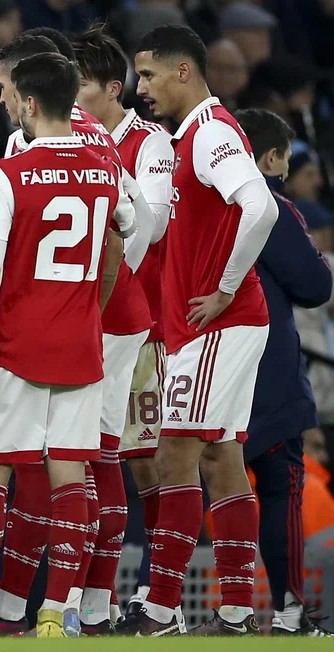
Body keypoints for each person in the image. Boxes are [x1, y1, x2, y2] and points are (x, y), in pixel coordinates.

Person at [0, 52, 124, 640]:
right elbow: (129, 230)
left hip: (17, 343)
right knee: (70, 475)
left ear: (29, 102)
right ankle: (58, 615)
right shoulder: (104, 168)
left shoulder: (5, 175)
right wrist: (91, 307)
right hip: (80, 345)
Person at [0, 32, 148, 638]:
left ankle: (70, 607)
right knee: (81, 460)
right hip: (92, 317)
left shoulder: (32, 144)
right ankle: (68, 607)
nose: (0, 98)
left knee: (60, 462)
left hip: (77, 321)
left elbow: (123, 235)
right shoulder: (98, 141)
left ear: (28, 88)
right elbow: (136, 222)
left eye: (4, 86)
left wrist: (88, 303)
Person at [119, 25, 278, 636]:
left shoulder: (210, 132)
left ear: (183, 71)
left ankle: (160, 609)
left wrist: (227, 288)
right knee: (220, 457)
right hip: (214, 324)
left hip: (219, 321)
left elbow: (261, 207)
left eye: (150, 75)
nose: (142, 88)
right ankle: (235, 612)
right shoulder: (188, 136)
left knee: (174, 454)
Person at [72, 24, 176, 631]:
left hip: (141, 325)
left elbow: (151, 226)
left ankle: (161, 598)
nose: (72, 98)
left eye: (82, 86)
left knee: (144, 461)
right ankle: (101, 602)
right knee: (89, 457)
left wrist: (103, 286)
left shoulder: (149, 143)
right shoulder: (61, 139)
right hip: (88, 318)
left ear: (114, 89)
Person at [234, 108, 333, 637]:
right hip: (265, 375)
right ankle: (290, 616)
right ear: (269, 158)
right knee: (279, 488)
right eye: (285, 162)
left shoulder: (189, 202)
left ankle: (171, 608)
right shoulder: (270, 205)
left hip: (190, 370)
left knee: (193, 489)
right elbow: (316, 284)